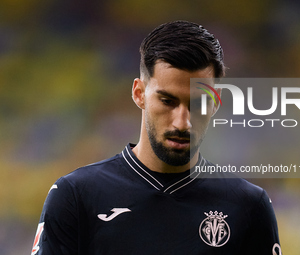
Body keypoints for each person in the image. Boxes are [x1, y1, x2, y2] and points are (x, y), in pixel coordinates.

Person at [31, 20, 282, 255]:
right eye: (167, 101)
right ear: (139, 94)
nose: (182, 122)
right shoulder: (76, 196)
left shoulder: (249, 205)